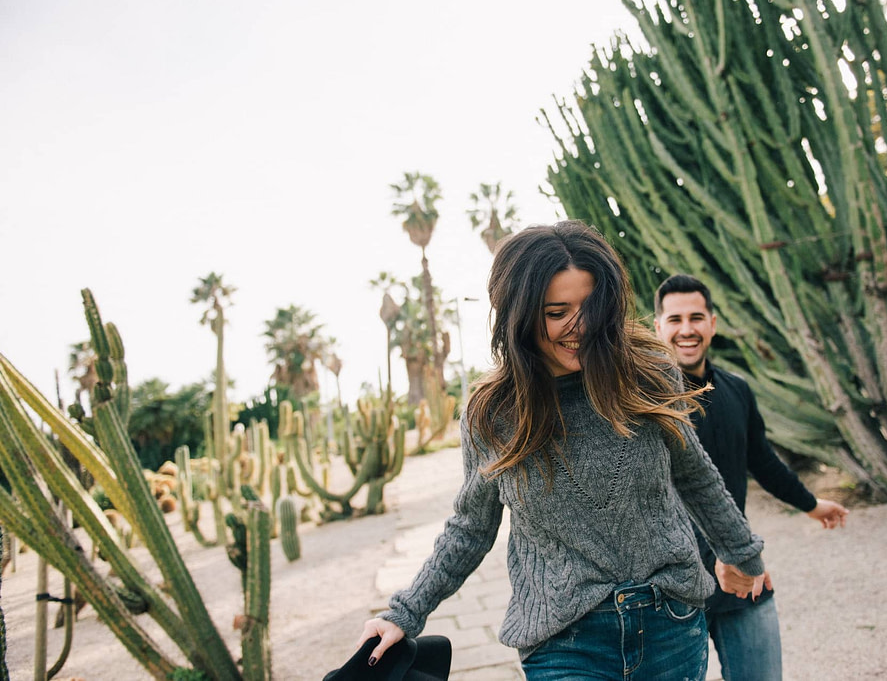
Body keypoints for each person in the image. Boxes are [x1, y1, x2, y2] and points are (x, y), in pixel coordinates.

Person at [356, 221, 766, 680]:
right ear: (521, 315)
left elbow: (695, 474)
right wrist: (404, 612)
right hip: (563, 642)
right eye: (556, 312)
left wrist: (741, 552)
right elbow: (471, 527)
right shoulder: (492, 413)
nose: (581, 327)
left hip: (669, 624)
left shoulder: (648, 374)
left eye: (592, 306)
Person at [653, 273, 850, 681]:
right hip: (669, 589)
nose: (686, 329)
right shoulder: (645, 399)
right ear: (658, 327)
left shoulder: (736, 390)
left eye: (696, 317)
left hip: (740, 575)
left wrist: (812, 505)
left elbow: (762, 460)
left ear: (713, 323)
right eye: (674, 320)